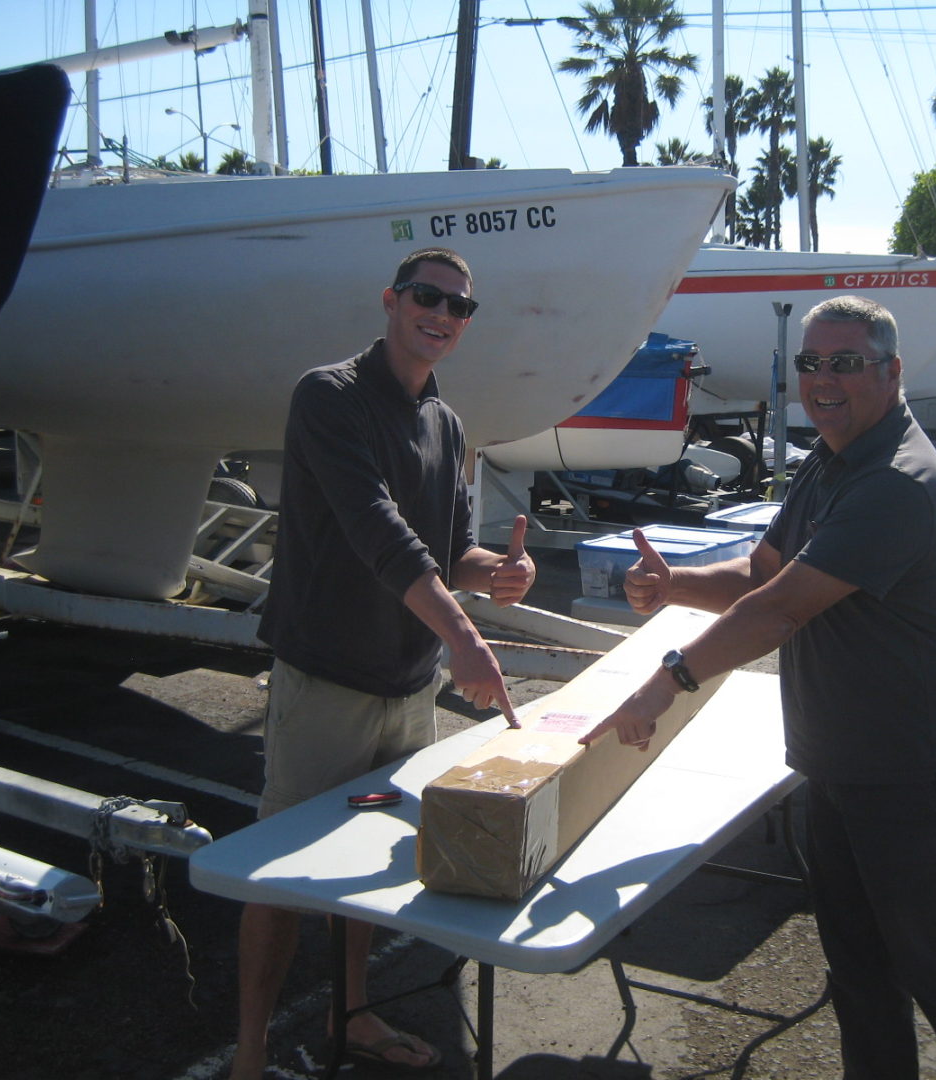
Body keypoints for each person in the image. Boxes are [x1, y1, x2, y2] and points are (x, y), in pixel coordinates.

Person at [582, 295, 936, 1080]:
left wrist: (669, 680)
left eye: (846, 362)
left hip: (917, 771)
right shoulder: (831, 459)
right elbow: (764, 575)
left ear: (892, 373)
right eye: (811, 363)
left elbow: (782, 609)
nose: (824, 379)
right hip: (841, 765)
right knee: (859, 971)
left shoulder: (896, 479)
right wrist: (674, 584)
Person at [232, 247, 536, 1079]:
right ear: (391, 301)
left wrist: (496, 577)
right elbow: (379, 534)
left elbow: (449, 550)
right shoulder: (327, 396)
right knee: (276, 873)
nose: (442, 315)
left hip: (409, 687)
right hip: (326, 679)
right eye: (427, 297)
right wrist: (464, 637)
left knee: (366, 869)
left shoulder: (446, 423)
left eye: (460, 307)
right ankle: (251, 1052)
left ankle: (352, 1012)